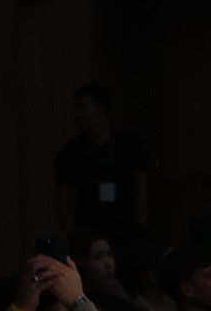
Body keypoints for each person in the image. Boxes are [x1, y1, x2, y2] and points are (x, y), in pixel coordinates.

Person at [54, 83, 148, 245]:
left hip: (126, 229)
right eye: (75, 109)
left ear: (101, 108)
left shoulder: (129, 143)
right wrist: (73, 236)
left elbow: (141, 187)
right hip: (88, 232)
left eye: (83, 108)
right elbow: (63, 200)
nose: (77, 115)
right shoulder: (70, 152)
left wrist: (141, 227)